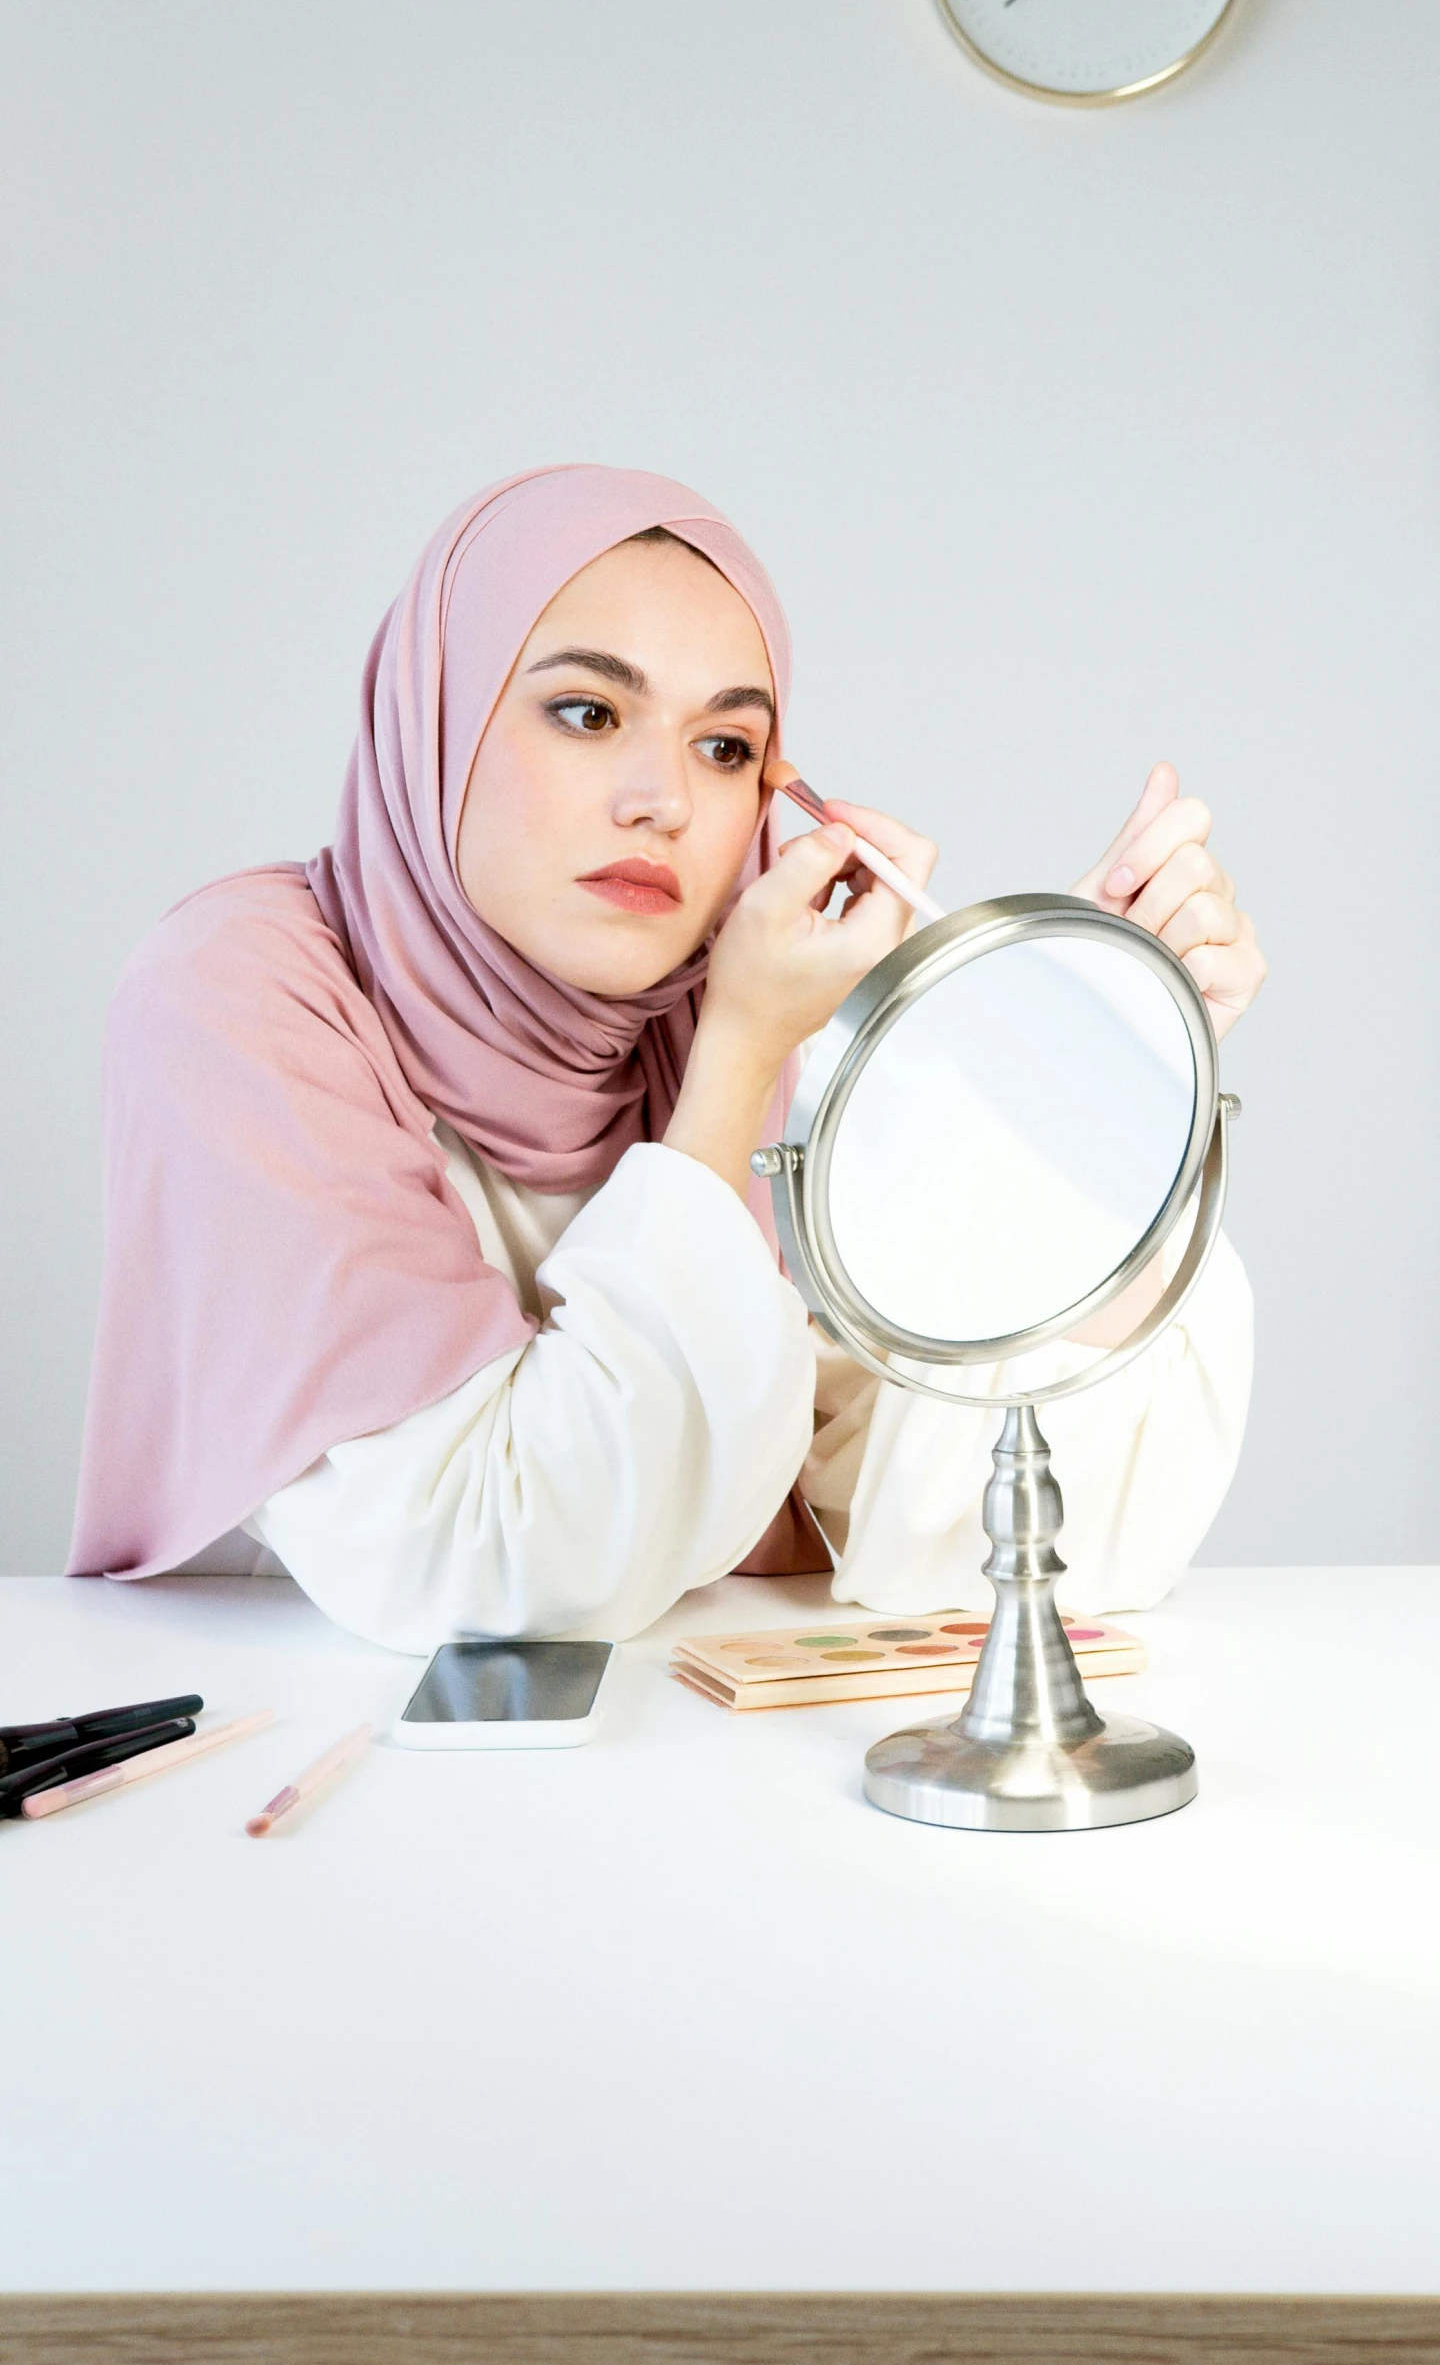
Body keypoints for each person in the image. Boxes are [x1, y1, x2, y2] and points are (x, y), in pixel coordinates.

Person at [69, 465, 1265, 1652]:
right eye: (588, 714)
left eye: (728, 747)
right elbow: (496, 1568)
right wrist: (739, 1057)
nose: (666, 804)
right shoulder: (243, 992)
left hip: (662, 1791)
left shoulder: (693, 1011)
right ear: (437, 718)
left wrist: (1094, 1065)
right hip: (293, 1770)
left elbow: (977, 1523)